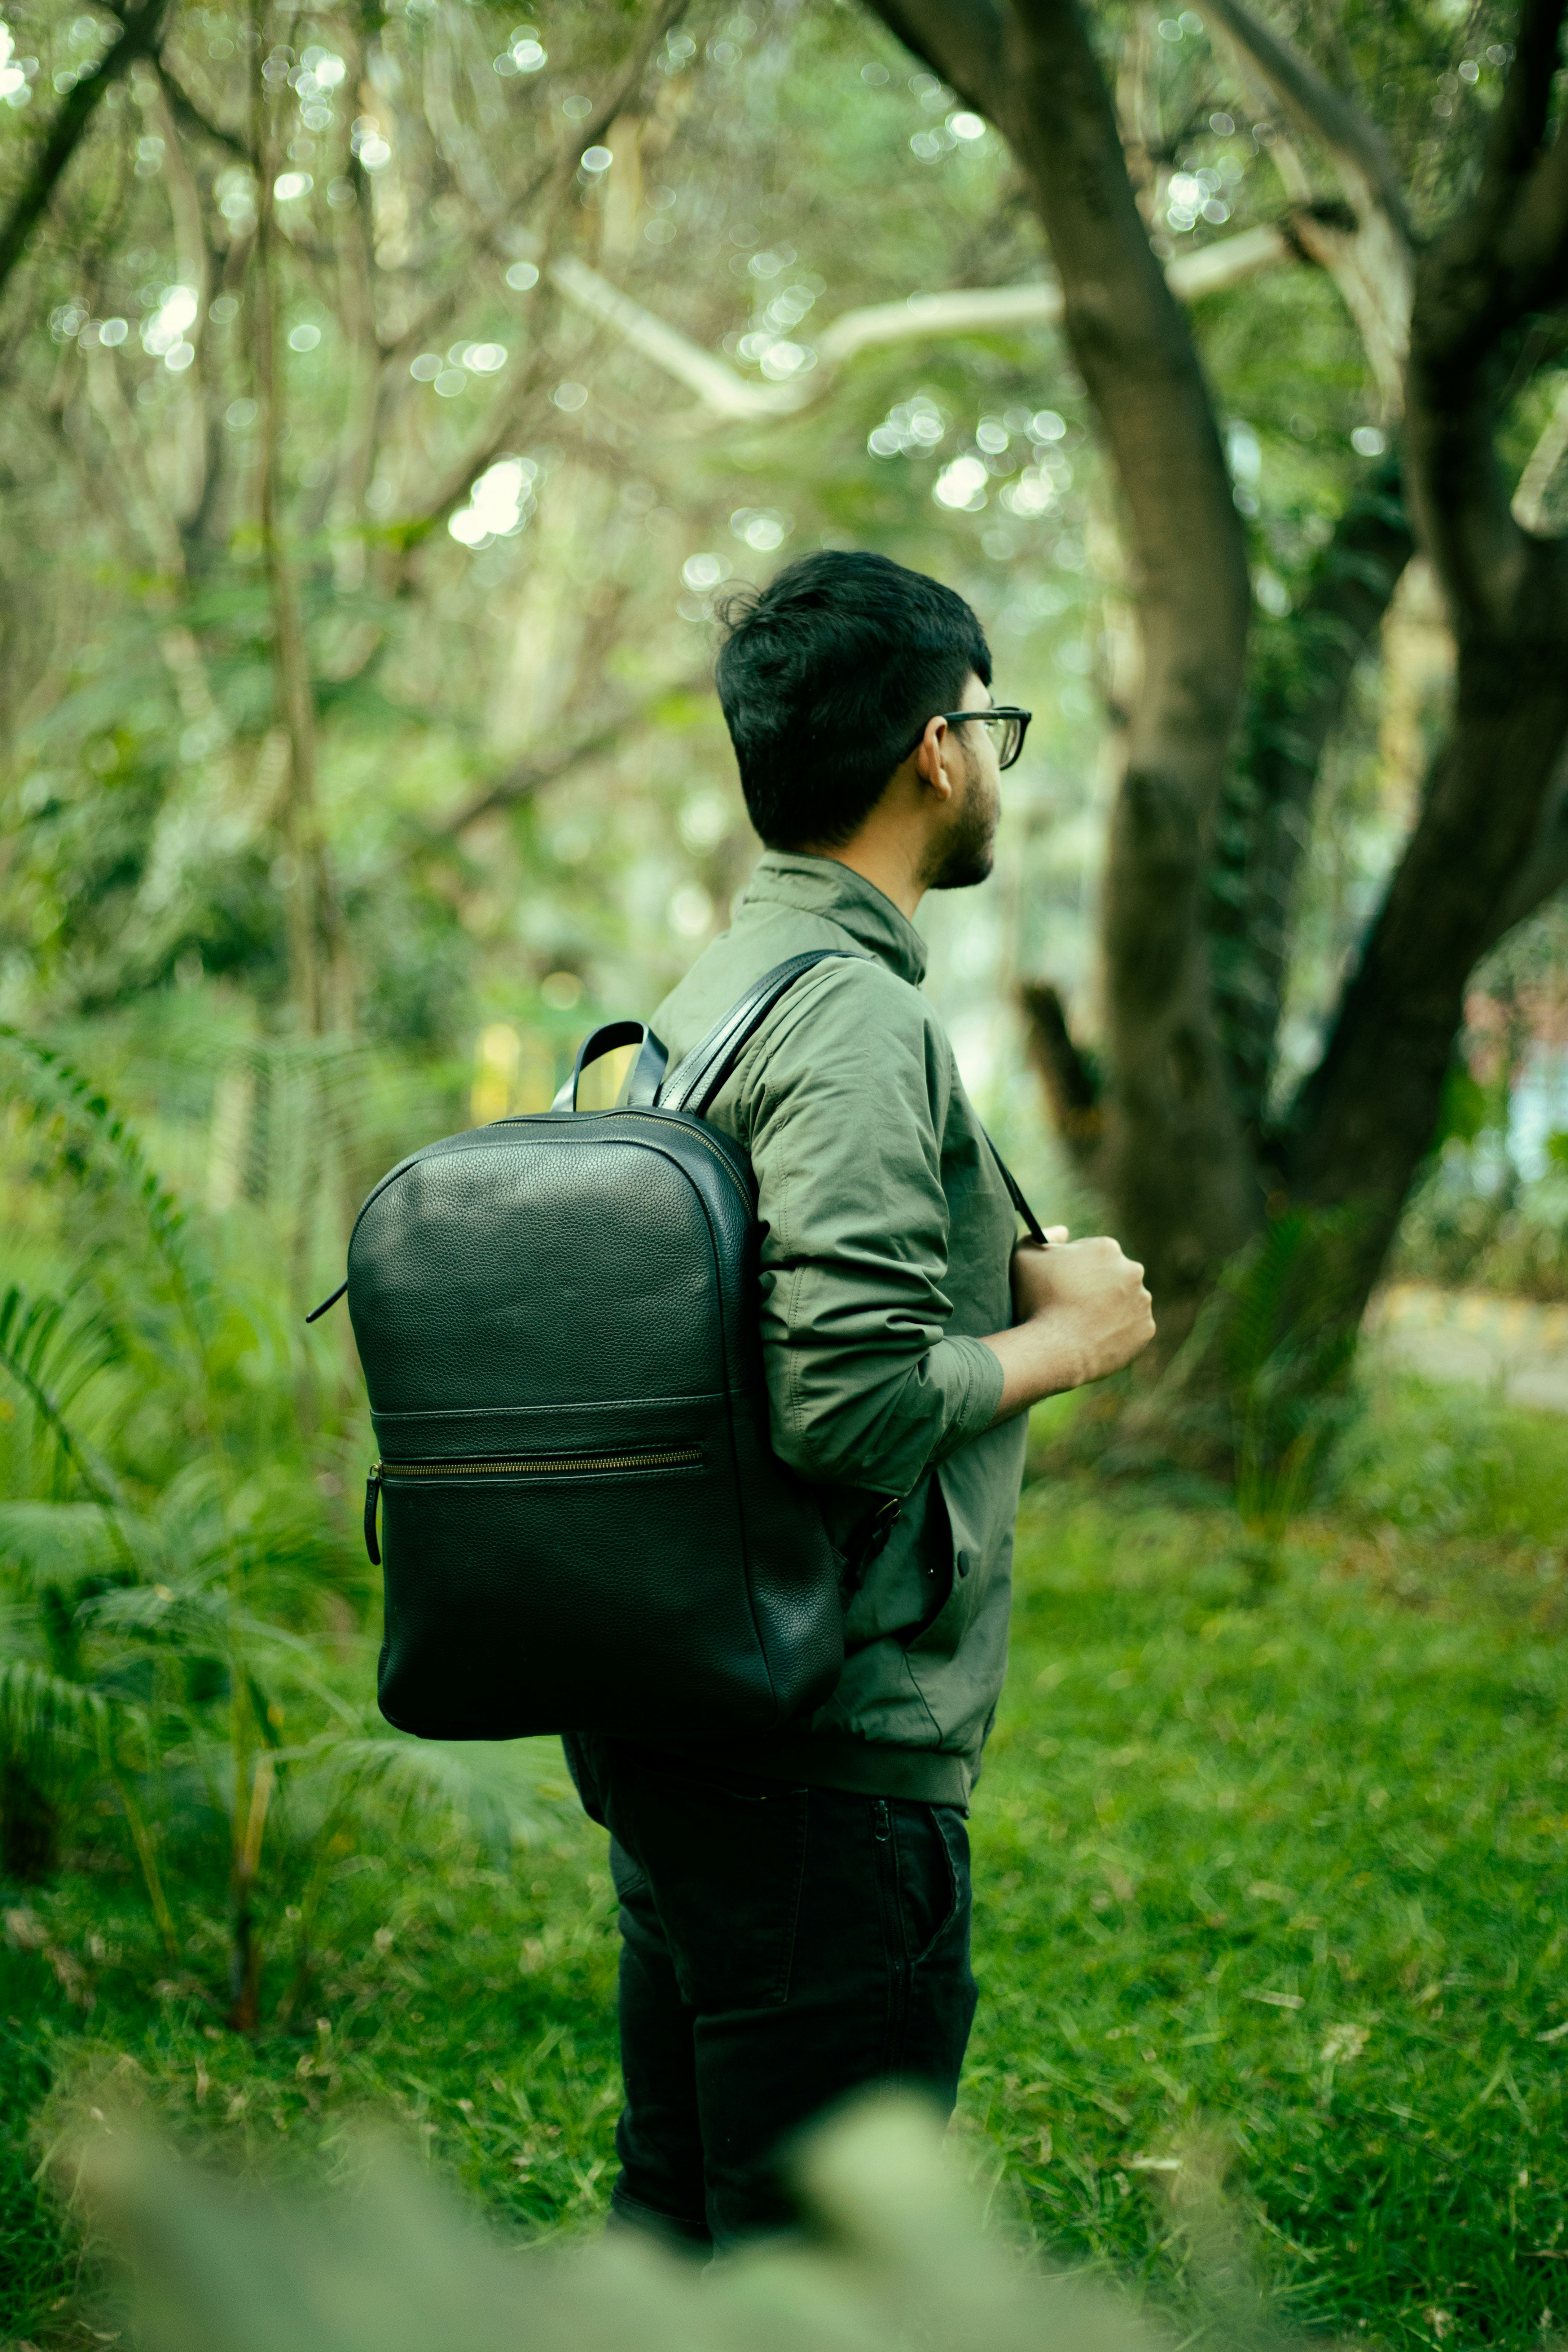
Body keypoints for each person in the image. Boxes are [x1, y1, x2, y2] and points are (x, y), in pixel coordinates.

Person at [563, 550, 1154, 2254]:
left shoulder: (714, 994)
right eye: (993, 724)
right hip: (822, 1760)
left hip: (696, 1716)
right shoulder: (853, 1022)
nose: (994, 761)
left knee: (681, 2223)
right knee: (815, 2271)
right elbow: (841, 1401)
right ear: (937, 751)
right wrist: (1070, 1338)